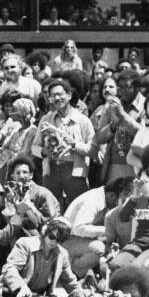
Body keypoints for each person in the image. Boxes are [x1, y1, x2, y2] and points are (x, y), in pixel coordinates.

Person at [33, 80, 95, 208]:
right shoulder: (45, 119)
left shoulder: (83, 120)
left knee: (77, 209)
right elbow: (34, 147)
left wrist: (74, 144)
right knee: (49, 209)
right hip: (51, 170)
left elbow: (93, 150)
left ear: (69, 95)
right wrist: (44, 152)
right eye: (53, 95)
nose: (57, 98)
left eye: (60, 94)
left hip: (74, 171)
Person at [0, 217, 81, 297]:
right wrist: (21, 286)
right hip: (9, 292)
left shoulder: (62, 254)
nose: (54, 242)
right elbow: (10, 268)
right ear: (45, 231)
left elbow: (69, 280)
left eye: (59, 240)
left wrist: (81, 294)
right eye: (51, 237)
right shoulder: (25, 244)